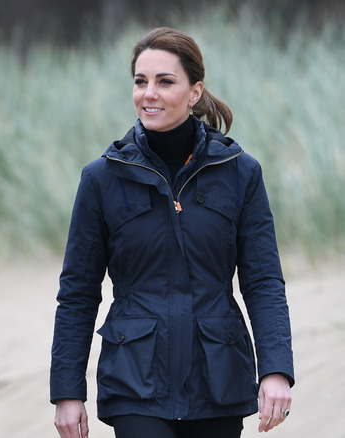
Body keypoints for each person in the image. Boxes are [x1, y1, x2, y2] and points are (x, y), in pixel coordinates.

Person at [50, 27, 294, 438]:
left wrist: (276, 369)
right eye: (140, 81)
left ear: (195, 91)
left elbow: (264, 281)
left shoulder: (240, 173)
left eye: (165, 82)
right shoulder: (101, 179)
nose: (149, 93)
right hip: (134, 381)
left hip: (218, 378)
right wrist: (67, 391)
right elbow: (77, 291)